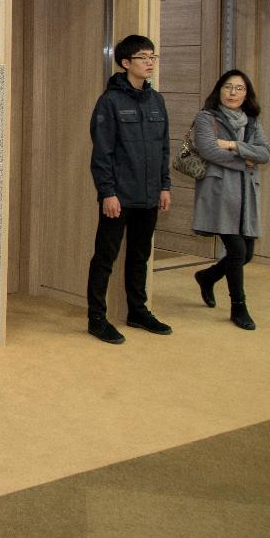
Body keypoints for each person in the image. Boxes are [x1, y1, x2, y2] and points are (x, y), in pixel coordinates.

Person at [86, 35, 172, 344]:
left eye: (153, 57)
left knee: (140, 255)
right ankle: (97, 318)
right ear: (126, 63)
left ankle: (138, 310)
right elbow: (102, 152)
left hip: (149, 195)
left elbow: (164, 148)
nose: (150, 62)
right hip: (118, 197)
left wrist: (165, 186)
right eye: (143, 57)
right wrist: (107, 192)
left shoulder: (156, 100)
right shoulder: (109, 102)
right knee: (105, 257)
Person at [190, 70, 270, 330]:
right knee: (236, 251)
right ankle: (239, 307)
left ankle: (207, 276)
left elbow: (265, 153)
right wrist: (245, 161)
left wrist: (234, 146)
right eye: (228, 87)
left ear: (246, 94)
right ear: (219, 90)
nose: (233, 93)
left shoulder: (253, 121)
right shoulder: (206, 117)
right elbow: (208, 149)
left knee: (246, 253)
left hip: (246, 194)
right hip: (220, 193)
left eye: (239, 88)